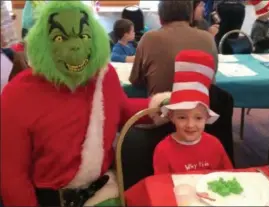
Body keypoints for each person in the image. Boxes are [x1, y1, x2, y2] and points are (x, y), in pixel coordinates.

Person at [0, 2, 170, 206]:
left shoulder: (103, 75)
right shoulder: (18, 94)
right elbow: (12, 176)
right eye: (60, 37)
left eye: (84, 35)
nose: (75, 45)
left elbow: (122, 109)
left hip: (103, 191)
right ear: (42, 43)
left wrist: (164, 105)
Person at [153, 50, 233, 174]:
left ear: (207, 118)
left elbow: (229, 176)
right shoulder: (163, 150)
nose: (190, 125)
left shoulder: (215, 145)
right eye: (182, 118)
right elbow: (163, 186)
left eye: (198, 118)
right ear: (171, 117)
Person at [129, 0, 218, 95]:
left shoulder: (149, 38)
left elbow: (136, 80)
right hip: (200, 106)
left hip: (160, 106)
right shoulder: (208, 38)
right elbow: (212, 75)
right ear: (190, 15)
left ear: (160, 18)